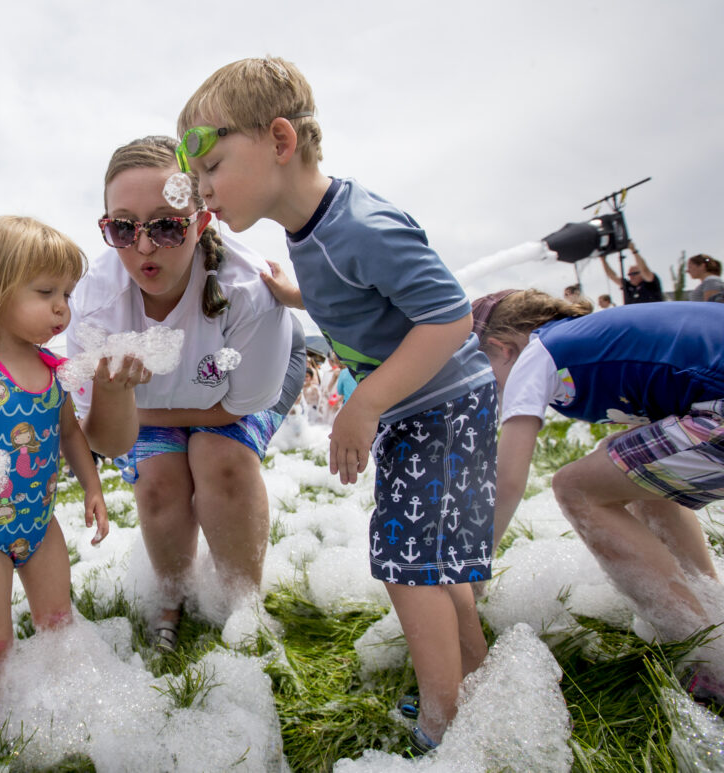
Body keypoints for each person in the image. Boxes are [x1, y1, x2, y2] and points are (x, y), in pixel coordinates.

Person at [177, 56, 496, 750]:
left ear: (280, 142)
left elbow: (450, 319)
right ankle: (473, 672)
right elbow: (356, 296)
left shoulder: (361, 226)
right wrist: (296, 294)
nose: (202, 191)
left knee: (407, 561)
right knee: (433, 556)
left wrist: (366, 401)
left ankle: (447, 728)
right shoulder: (312, 229)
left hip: (443, 405)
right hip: (428, 406)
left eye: (212, 167)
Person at [70, 135, 305, 652]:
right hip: (183, 394)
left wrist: (133, 407)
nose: (145, 247)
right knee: (157, 481)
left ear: (200, 224)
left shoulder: (247, 292)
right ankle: (170, 601)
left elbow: (240, 405)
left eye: (167, 226)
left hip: (248, 383)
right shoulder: (92, 307)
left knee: (217, 455)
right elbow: (105, 441)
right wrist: (120, 403)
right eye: (123, 228)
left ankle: (244, 606)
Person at [472, 290, 724, 704]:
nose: (488, 385)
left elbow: (509, 481)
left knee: (575, 487)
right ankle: (709, 608)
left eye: (483, 368)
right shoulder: (587, 338)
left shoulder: (537, 354)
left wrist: (477, 565)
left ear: (501, 347)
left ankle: (706, 660)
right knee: (627, 470)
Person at [0, 214, 109, 703]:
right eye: (46, 292)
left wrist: (93, 487)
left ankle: (59, 711)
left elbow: (70, 433)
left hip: (40, 525)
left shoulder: (54, 371)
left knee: (58, 624)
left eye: (68, 294)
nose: (61, 308)